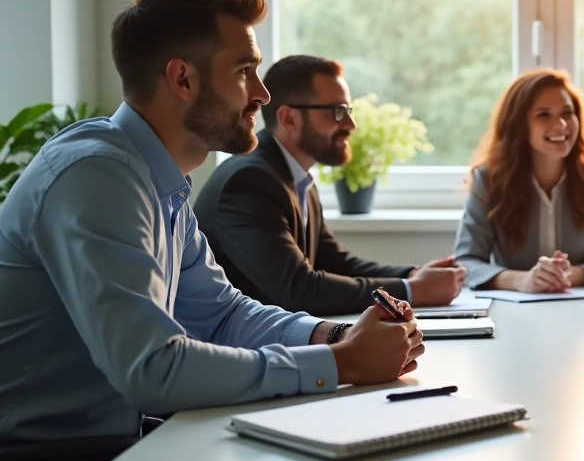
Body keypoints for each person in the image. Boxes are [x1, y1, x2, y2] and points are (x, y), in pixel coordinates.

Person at [0, 0, 424, 447]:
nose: (263, 94)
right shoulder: (96, 175)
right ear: (182, 78)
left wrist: (336, 336)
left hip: (99, 447)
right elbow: (152, 368)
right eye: (245, 70)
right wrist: (343, 363)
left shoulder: (158, 181)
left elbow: (223, 315)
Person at [195, 55, 465, 316]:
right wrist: (411, 291)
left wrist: (411, 275)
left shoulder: (294, 176)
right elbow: (299, 289)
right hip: (243, 352)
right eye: (337, 112)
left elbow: (334, 262)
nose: (350, 124)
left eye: (348, 111)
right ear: (289, 118)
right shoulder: (249, 182)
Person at [454, 68, 584, 292]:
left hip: (583, 309)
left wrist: (562, 276)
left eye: (567, 113)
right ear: (518, 125)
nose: (561, 125)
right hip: (513, 312)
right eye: (544, 115)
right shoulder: (488, 180)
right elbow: (465, 263)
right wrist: (522, 281)